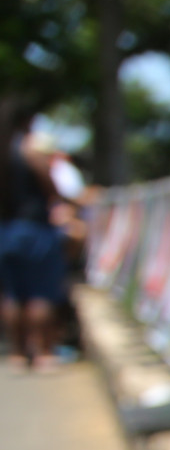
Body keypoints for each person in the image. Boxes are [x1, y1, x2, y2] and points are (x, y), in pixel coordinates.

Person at [1, 121, 74, 372]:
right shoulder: (28, 151)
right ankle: (43, 353)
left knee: (13, 295)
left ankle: (18, 354)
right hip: (35, 230)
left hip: (7, 230)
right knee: (40, 293)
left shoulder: (5, 154)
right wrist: (57, 199)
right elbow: (49, 184)